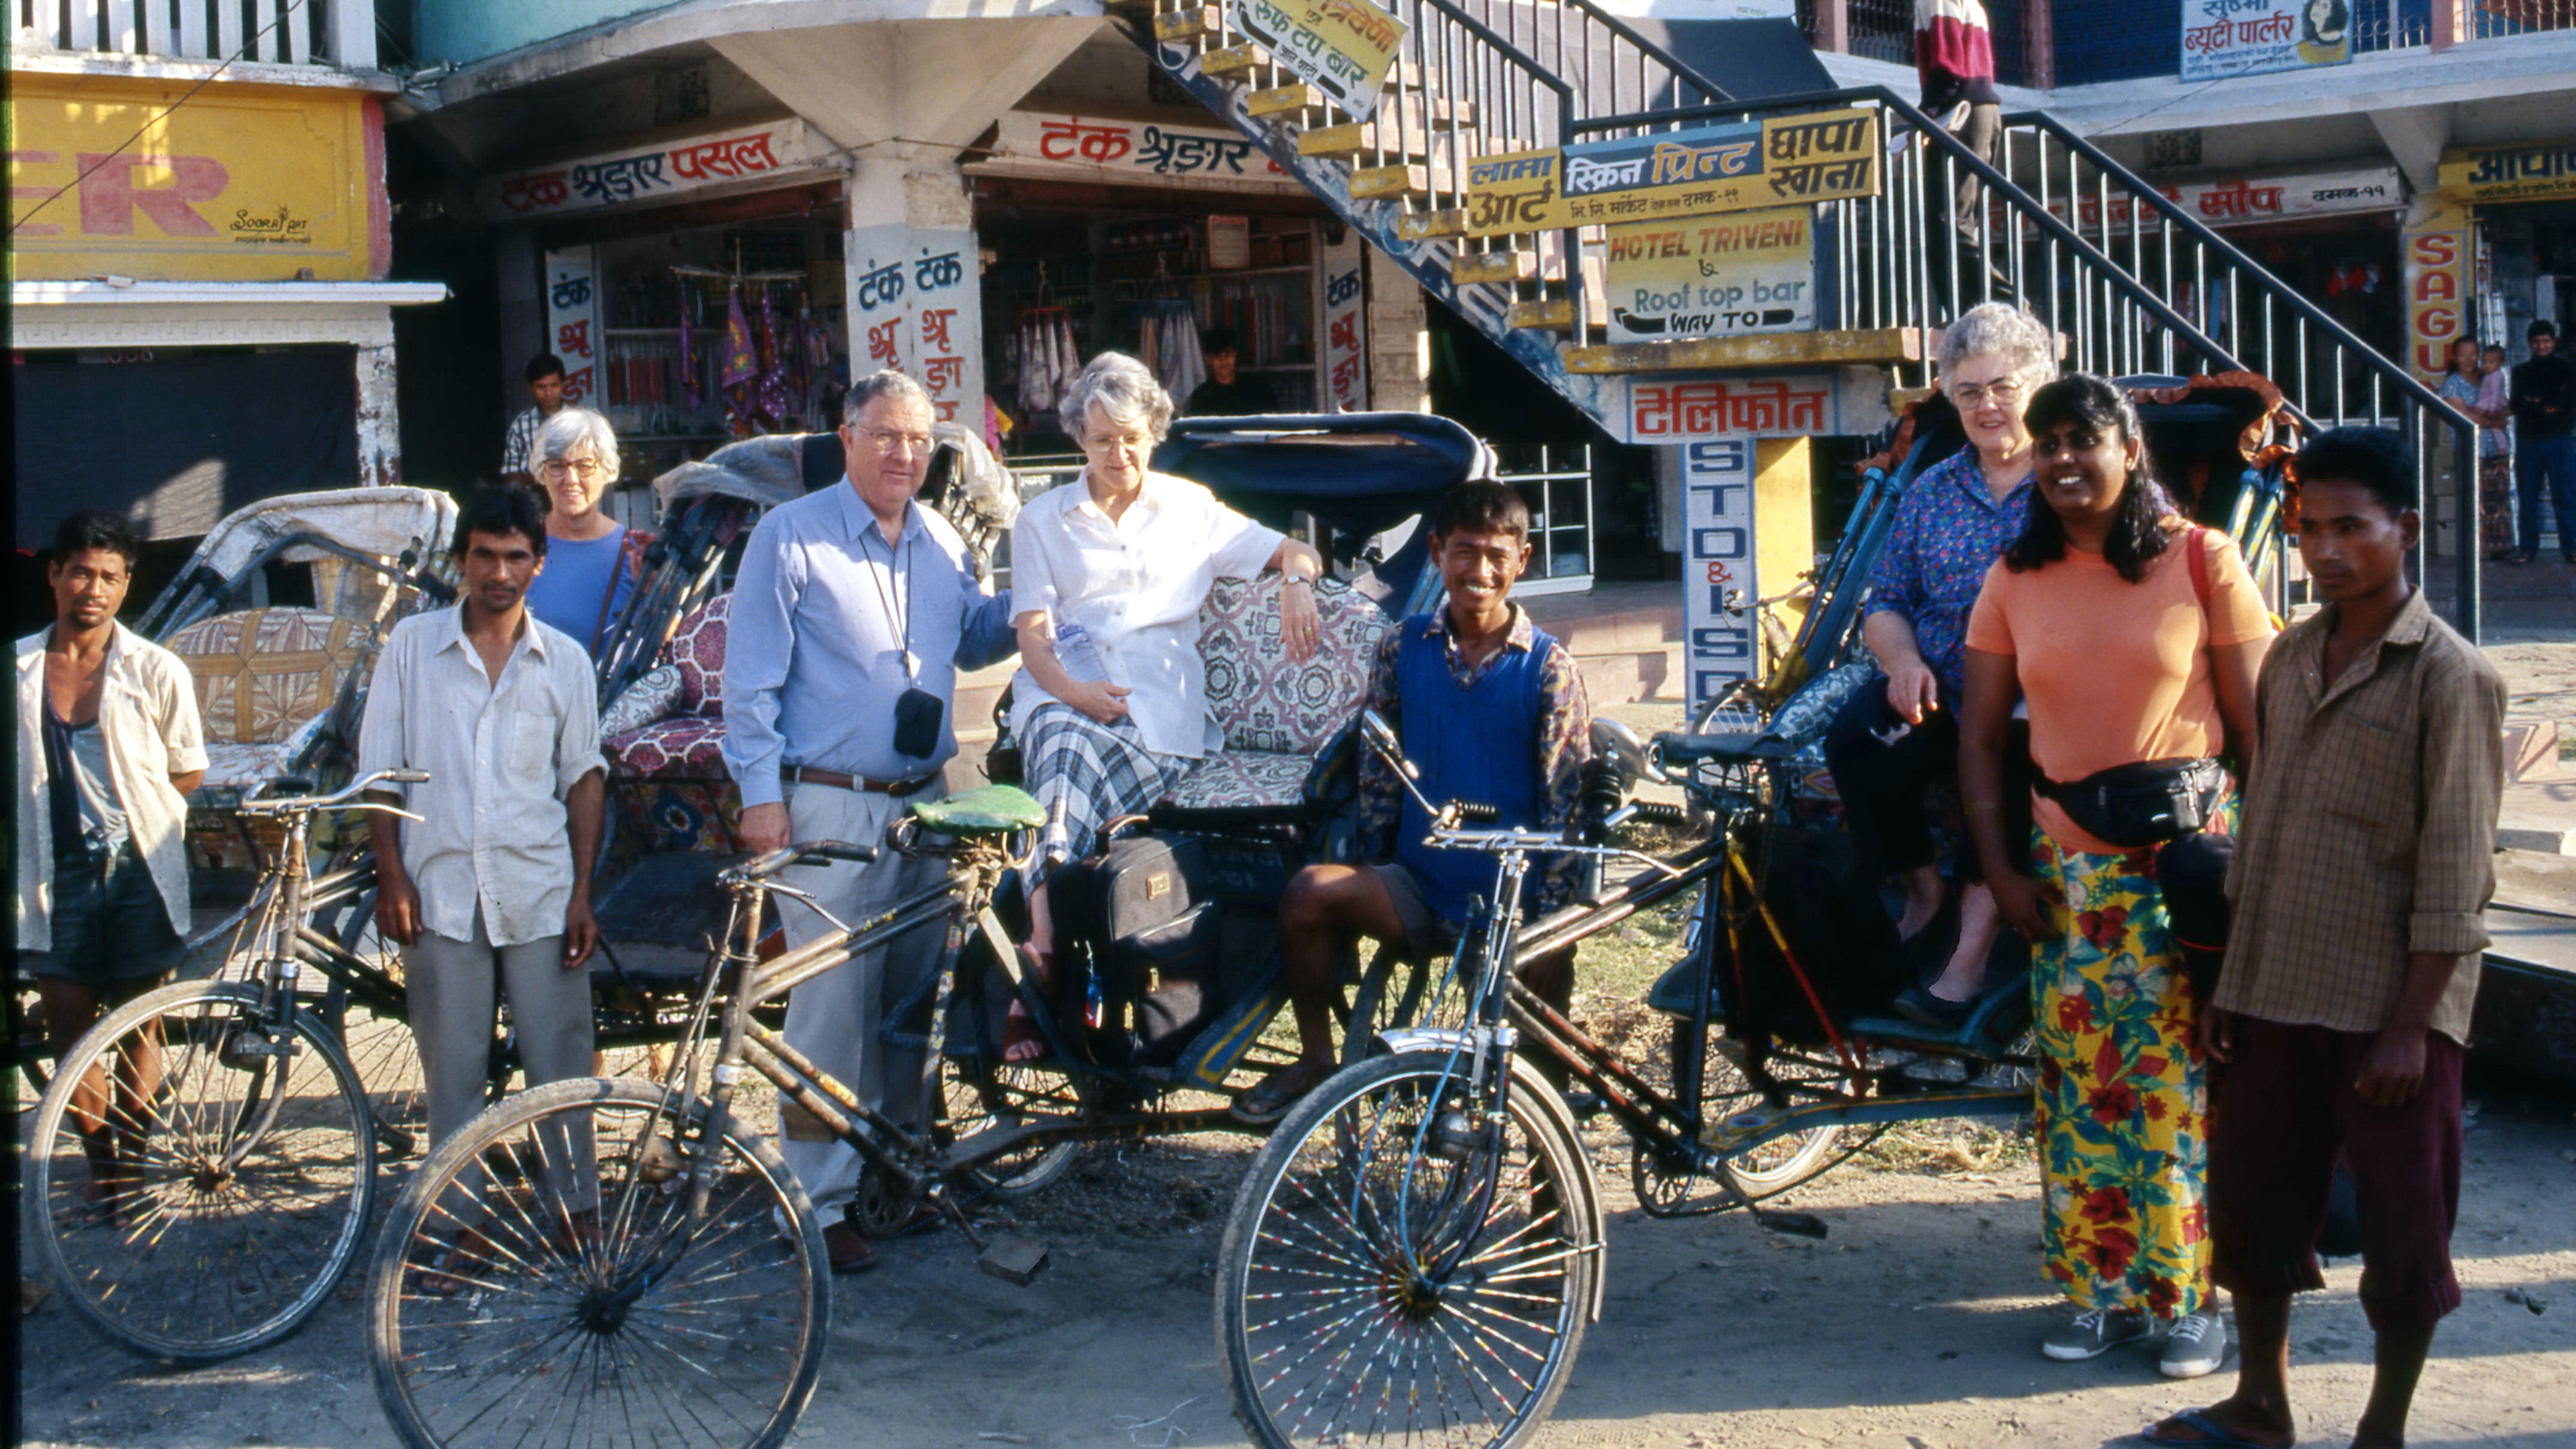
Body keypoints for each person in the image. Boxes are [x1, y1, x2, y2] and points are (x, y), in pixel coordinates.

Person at [2144, 429, 2505, 1449]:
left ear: (2406, 529)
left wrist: (2409, 1026)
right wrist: (2230, 981)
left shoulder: (2451, 678)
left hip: (2390, 1014)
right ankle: (2260, 1403)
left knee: (2402, 1237)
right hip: (2270, 994)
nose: (2326, 550)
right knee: (2255, 1218)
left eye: (2351, 527)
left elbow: (2455, 874)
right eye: (2308, 530)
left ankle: (2380, 1431)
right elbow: (2262, 828)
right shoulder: (2292, 654)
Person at [1960, 373, 2273, 1378]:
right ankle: (2098, 1289)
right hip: (2071, 884)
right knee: (2081, 1092)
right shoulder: (2013, 575)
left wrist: (2261, 872)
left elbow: (2261, 731)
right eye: (2045, 441)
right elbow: (1977, 743)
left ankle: (2190, 1300)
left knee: (2183, 1090)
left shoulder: (2200, 558)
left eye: (2080, 439)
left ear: (2126, 448)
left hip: (2183, 874)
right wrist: (2002, 870)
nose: (2059, 458)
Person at [723, 369, 1018, 1275]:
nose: (904, 454)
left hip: (923, 808)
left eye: (919, 439)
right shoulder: (789, 537)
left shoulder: (936, 537)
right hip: (826, 803)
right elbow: (749, 684)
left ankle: (895, 1175)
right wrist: (760, 799)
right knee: (829, 1013)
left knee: (906, 1003)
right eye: (886, 435)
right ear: (846, 434)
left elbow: (975, 638)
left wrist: (1050, 596)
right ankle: (818, 1205)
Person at [1236, 480, 1592, 1124]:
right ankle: (1318, 1060)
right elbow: (1378, 773)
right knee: (1307, 894)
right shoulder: (1402, 646)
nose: (1477, 571)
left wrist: (1549, 929)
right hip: (1420, 887)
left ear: (1523, 560)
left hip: (1511, 909)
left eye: (1494, 555)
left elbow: (1564, 806)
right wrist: (1373, 863)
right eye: (1463, 552)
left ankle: (1550, 1198)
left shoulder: (1547, 668)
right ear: (1435, 551)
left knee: (1538, 1086)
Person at [1002, 351, 1323, 1061]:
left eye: (1130, 437)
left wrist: (1295, 583)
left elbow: (1293, 551)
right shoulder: (1040, 519)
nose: (1118, 453)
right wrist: (1076, 692)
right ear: (1077, 440)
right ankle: (1051, 939)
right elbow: (1031, 637)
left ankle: (1038, 951)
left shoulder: (1190, 507)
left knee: (1062, 759)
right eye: (1100, 439)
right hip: (1064, 697)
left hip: (1160, 722)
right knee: (1060, 734)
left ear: (1153, 433)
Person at [359, 484, 608, 1290]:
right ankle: (462, 1226)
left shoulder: (564, 661)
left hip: (539, 891)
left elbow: (584, 780)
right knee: (454, 1071)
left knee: (560, 1064)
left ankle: (578, 1215)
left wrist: (582, 892)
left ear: (538, 563)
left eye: (514, 557)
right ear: (461, 560)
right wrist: (391, 873)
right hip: (439, 894)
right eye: (483, 555)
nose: (498, 572)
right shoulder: (411, 649)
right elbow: (381, 773)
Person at [1826, 300, 2052, 1032]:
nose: (1987, 406)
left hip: (2035, 696)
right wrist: (1901, 663)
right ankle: (1924, 889)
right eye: (1969, 391)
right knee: (1856, 734)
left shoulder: (2073, 476)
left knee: (2017, 750)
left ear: (2039, 385)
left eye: (2003, 387)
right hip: (1940, 685)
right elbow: (1886, 599)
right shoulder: (1930, 490)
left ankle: (1969, 957)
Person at [14, 512, 206, 1221]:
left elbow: (186, 771)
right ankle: (107, 1167)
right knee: (69, 1029)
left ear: (126, 586)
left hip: (138, 873)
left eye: (109, 576)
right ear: (55, 575)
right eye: (80, 572)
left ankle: (136, 1162)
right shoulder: (18, 671)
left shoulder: (156, 669)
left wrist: (132, 822)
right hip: (52, 870)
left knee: (137, 1025)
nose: (92, 588)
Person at [523, 408, 647, 655]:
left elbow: (662, 637)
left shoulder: (632, 553)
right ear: (542, 472)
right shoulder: (520, 545)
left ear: (607, 470)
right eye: (557, 466)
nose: (570, 479)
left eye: (584, 466)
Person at [1915, 0, 2000, 272]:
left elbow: (1946, 64)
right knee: (1961, 221)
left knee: (1947, 221)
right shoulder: (1972, 5)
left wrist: (1928, 115)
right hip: (1982, 109)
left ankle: (2009, 302)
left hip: (1960, 110)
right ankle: (1974, 305)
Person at [2506, 318, 2575, 564]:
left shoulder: (2567, 369)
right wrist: (2547, 406)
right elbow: (2517, 404)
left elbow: (2568, 405)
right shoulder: (2521, 372)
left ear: (2554, 342)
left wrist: (2537, 403)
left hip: (2560, 440)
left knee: (2566, 496)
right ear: (2529, 344)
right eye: (2536, 342)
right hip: (2529, 441)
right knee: (2528, 497)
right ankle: (2527, 548)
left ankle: (2571, 548)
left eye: (2546, 341)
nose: (2542, 346)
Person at [501, 352, 569, 484]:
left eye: (554, 385)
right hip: (532, 500)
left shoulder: (578, 422)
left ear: (563, 385)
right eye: (541, 387)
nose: (548, 393)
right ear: (530, 388)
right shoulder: (521, 425)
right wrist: (542, 476)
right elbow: (509, 475)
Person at [2477, 341, 2516, 559]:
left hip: (2494, 443)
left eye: (2491, 362)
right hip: (2486, 444)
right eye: (2485, 361)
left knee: (2497, 497)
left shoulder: (2496, 378)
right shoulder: (2486, 378)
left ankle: (2499, 543)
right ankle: (2490, 544)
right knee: (2488, 498)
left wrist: (2486, 414)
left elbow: (2494, 402)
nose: (2486, 365)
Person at [1184, 326, 1278, 416]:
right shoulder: (1202, 397)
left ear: (1235, 356)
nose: (1223, 360)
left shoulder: (1259, 388)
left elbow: (1273, 421)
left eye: (1228, 354)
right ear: (1208, 359)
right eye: (1217, 356)